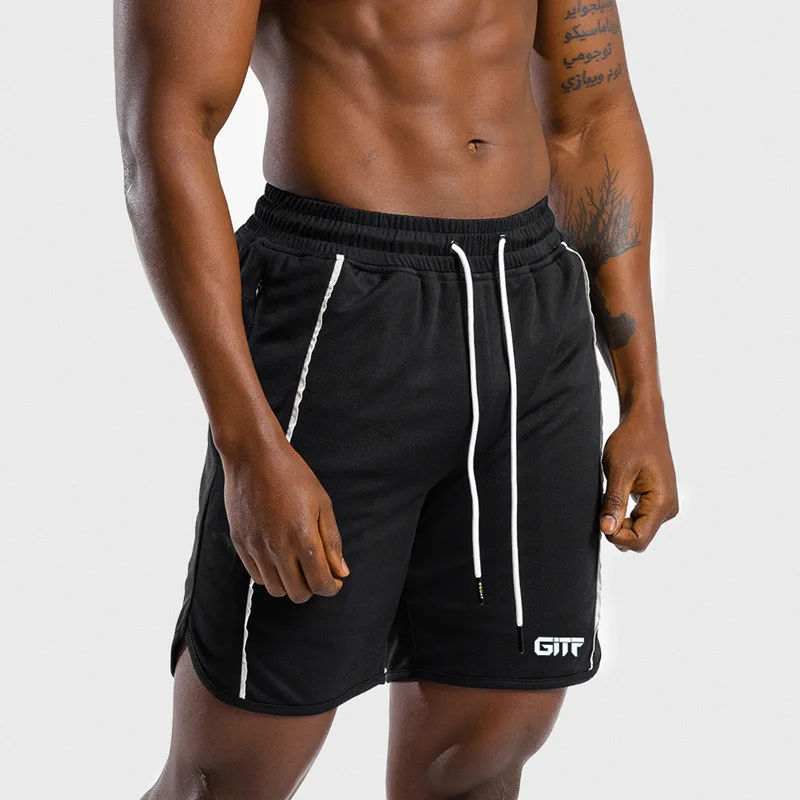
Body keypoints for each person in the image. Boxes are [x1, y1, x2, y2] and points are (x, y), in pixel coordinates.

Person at [115, 0, 678, 797]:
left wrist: (643, 397)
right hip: (339, 312)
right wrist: (249, 445)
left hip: (531, 320)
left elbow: (592, 120)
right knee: (230, 772)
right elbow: (169, 129)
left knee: (481, 754)